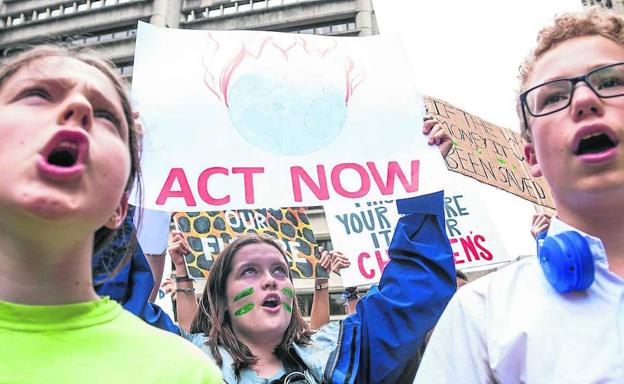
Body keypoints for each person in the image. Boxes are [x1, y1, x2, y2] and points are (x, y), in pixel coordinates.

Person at [415, 7, 624, 383]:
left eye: (610, 81)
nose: (584, 101)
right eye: (553, 97)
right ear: (532, 157)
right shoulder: (482, 316)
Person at [171, 114, 456, 383]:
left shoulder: (339, 356)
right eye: (249, 271)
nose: (271, 280)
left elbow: (415, 293)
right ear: (221, 295)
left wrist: (421, 183)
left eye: (280, 271)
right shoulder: (181, 360)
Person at [0, 45, 221, 383]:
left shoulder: (182, 372)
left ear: (120, 207)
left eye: (106, 117)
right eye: (37, 95)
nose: (78, 107)